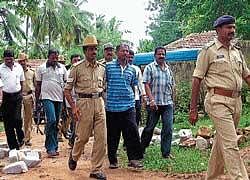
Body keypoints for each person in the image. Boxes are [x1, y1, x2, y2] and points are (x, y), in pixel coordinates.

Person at [189, 15, 250, 180]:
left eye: (233, 27)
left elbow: (247, 76)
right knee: (231, 143)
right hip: (217, 101)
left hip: (236, 102)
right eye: (228, 27)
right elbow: (196, 79)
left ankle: (213, 176)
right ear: (218, 30)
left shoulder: (237, 51)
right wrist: (193, 109)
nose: (232, 30)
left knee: (221, 142)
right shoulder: (208, 51)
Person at [64, 35, 107, 180]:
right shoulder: (76, 68)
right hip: (83, 104)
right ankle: (74, 156)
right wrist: (74, 107)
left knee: (101, 138)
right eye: (90, 49)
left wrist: (104, 103)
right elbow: (67, 90)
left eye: (95, 49)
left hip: (99, 103)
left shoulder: (102, 68)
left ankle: (96, 169)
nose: (93, 52)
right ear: (85, 51)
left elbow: (104, 88)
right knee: (82, 137)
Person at [106, 43, 143, 169]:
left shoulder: (132, 69)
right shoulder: (108, 67)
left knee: (132, 132)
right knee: (112, 134)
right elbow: (104, 84)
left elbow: (133, 86)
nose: (126, 53)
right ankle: (112, 160)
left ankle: (134, 159)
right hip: (112, 107)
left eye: (127, 51)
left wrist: (134, 100)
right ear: (117, 53)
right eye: (123, 51)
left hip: (128, 105)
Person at [140, 46, 175, 159]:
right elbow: (146, 84)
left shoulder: (168, 70)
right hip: (154, 104)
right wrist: (151, 100)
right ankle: (141, 150)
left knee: (168, 128)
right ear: (155, 55)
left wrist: (172, 100)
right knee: (149, 128)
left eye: (163, 54)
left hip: (167, 103)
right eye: (159, 54)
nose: (161, 56)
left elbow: (172, 86)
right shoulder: (150, 68)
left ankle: (166, 153)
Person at [35, 49, 67, 158]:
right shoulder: (41, 68)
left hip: (59, 98)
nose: (54, 59)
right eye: (52, 57)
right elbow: (38, 86)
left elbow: (66, 85)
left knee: (56, 122)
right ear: (48, 57)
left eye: (56, 57)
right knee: (52, 120)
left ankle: (54, 146)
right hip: (46, 97)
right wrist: (37, 101)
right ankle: (50, 147)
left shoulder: (62, 68)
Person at [0, 49, 25, 150]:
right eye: (6, 59)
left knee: (17, 119)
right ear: (3, 59)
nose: (9, 61)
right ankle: (13, 147)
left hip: (17, 96)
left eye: (10, 59)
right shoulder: (0, 68)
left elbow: (22, 81)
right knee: (8, 123)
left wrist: (21, 93)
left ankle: (21, 137)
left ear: (13, 58)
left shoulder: (18, 67)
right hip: (5, 98)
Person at [18, 52, 36, 146]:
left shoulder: (32, 72)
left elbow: (36, 86)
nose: (22, 63)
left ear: (26, 61)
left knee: (28, 119)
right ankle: (20, 138)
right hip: (18, 97)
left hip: (29, 97)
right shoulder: (16, 72)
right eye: (20, 61)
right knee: (19, 118)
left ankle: (27, 139)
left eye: (23, 61)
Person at [127, 49, 146, 126]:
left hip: (136, 97)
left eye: (132, 57)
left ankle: (136, 131)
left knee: (137, 116)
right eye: (129, 57)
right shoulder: (122, 68)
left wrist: (143, 95)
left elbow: (141, 82)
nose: (130, 59)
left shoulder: (136, 69)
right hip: (126, 98)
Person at [66, 54, 81, 148]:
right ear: (71, 61)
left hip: (80, 100)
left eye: (79, 60)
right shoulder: (69, 72)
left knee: (78, 122)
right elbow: (66, 89)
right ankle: (74, 142)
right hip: (71, 101)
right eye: (75, 60)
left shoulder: (82, 71)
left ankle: (73, 140)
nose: (77, 61)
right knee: (76, 122)